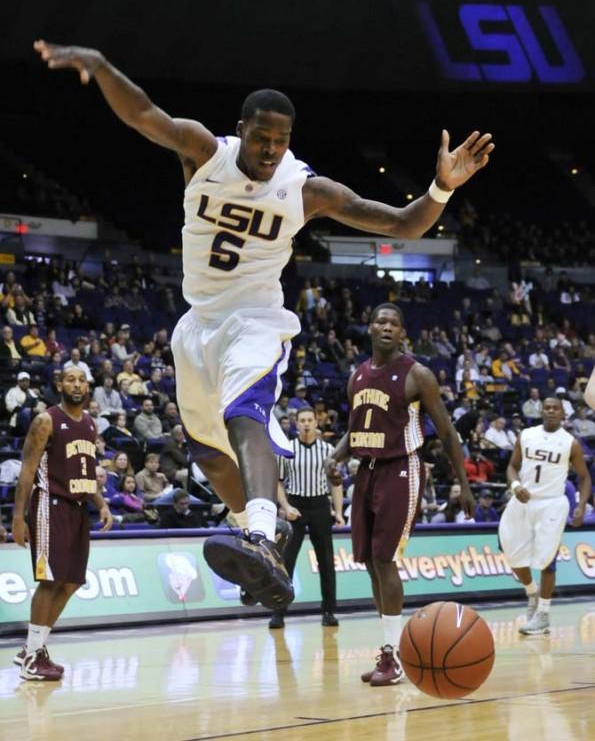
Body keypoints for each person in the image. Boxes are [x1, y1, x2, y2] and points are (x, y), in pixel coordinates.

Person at [35, 39, 492, 610]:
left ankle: (259, 529)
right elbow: (143, 114)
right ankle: (260, 535)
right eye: (261, 137)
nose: (271, 148)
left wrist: (442, 186)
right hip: (197, 324)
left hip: (255, 320)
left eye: (281, 140)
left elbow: (403, 224)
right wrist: (101, 67)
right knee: (205, 452)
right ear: (241, 130)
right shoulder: (204, 152)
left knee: (243, 413)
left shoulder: (305, 189)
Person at [327, 304, 474, 686]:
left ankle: (393, 658)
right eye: (380, 321)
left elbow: (446, 432)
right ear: (370, 327)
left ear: (403, 331)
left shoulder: (417, 374)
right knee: (370, 564)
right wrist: (337, 455)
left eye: (394, 322)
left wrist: (465, 483)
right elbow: (355, 428)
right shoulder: (357, 375)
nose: (386, 327)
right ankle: (387, 651)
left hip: (402, 469)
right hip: (366, 473)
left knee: (384, 558)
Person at [10, 367, 113, 680]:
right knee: (50, 581)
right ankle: (31, 658)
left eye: (82, 380)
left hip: (79, 509)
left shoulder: (91, 423)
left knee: (72, 582)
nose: (77, 385)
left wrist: (101, 503)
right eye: (71, 379)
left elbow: (85, 473)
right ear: (59, 385)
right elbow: (27, 471)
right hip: (49, 506)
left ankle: (33, 649)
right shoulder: (46, 420)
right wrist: (17, 517)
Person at [499, 397, 591, 635]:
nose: (550, 411)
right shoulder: (526, 435)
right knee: (510, 551)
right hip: (523, 499)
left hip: (552, 504)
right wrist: (516, 485)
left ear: (563, 414)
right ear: (541, 411)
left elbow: (584, 477)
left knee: (547, 559)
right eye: (547, 407)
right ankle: (532, 592)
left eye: (555, 408)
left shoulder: (571, 443)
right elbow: (512, 467)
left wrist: (581, 504)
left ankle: (543, 614)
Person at [269, 407, 344, 629]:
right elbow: (278, 482)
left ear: (316, 423)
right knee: (287, 562)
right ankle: (278, 613)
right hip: (296, 505)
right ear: (296, 424)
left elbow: (336, 483)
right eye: (302, 420)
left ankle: (329, 611)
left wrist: (338, 512)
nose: (306, 424)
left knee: (326, 561)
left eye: (310, 420)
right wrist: (285, 506)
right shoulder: (287, 449)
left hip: (320, 505)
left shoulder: (328, 450)